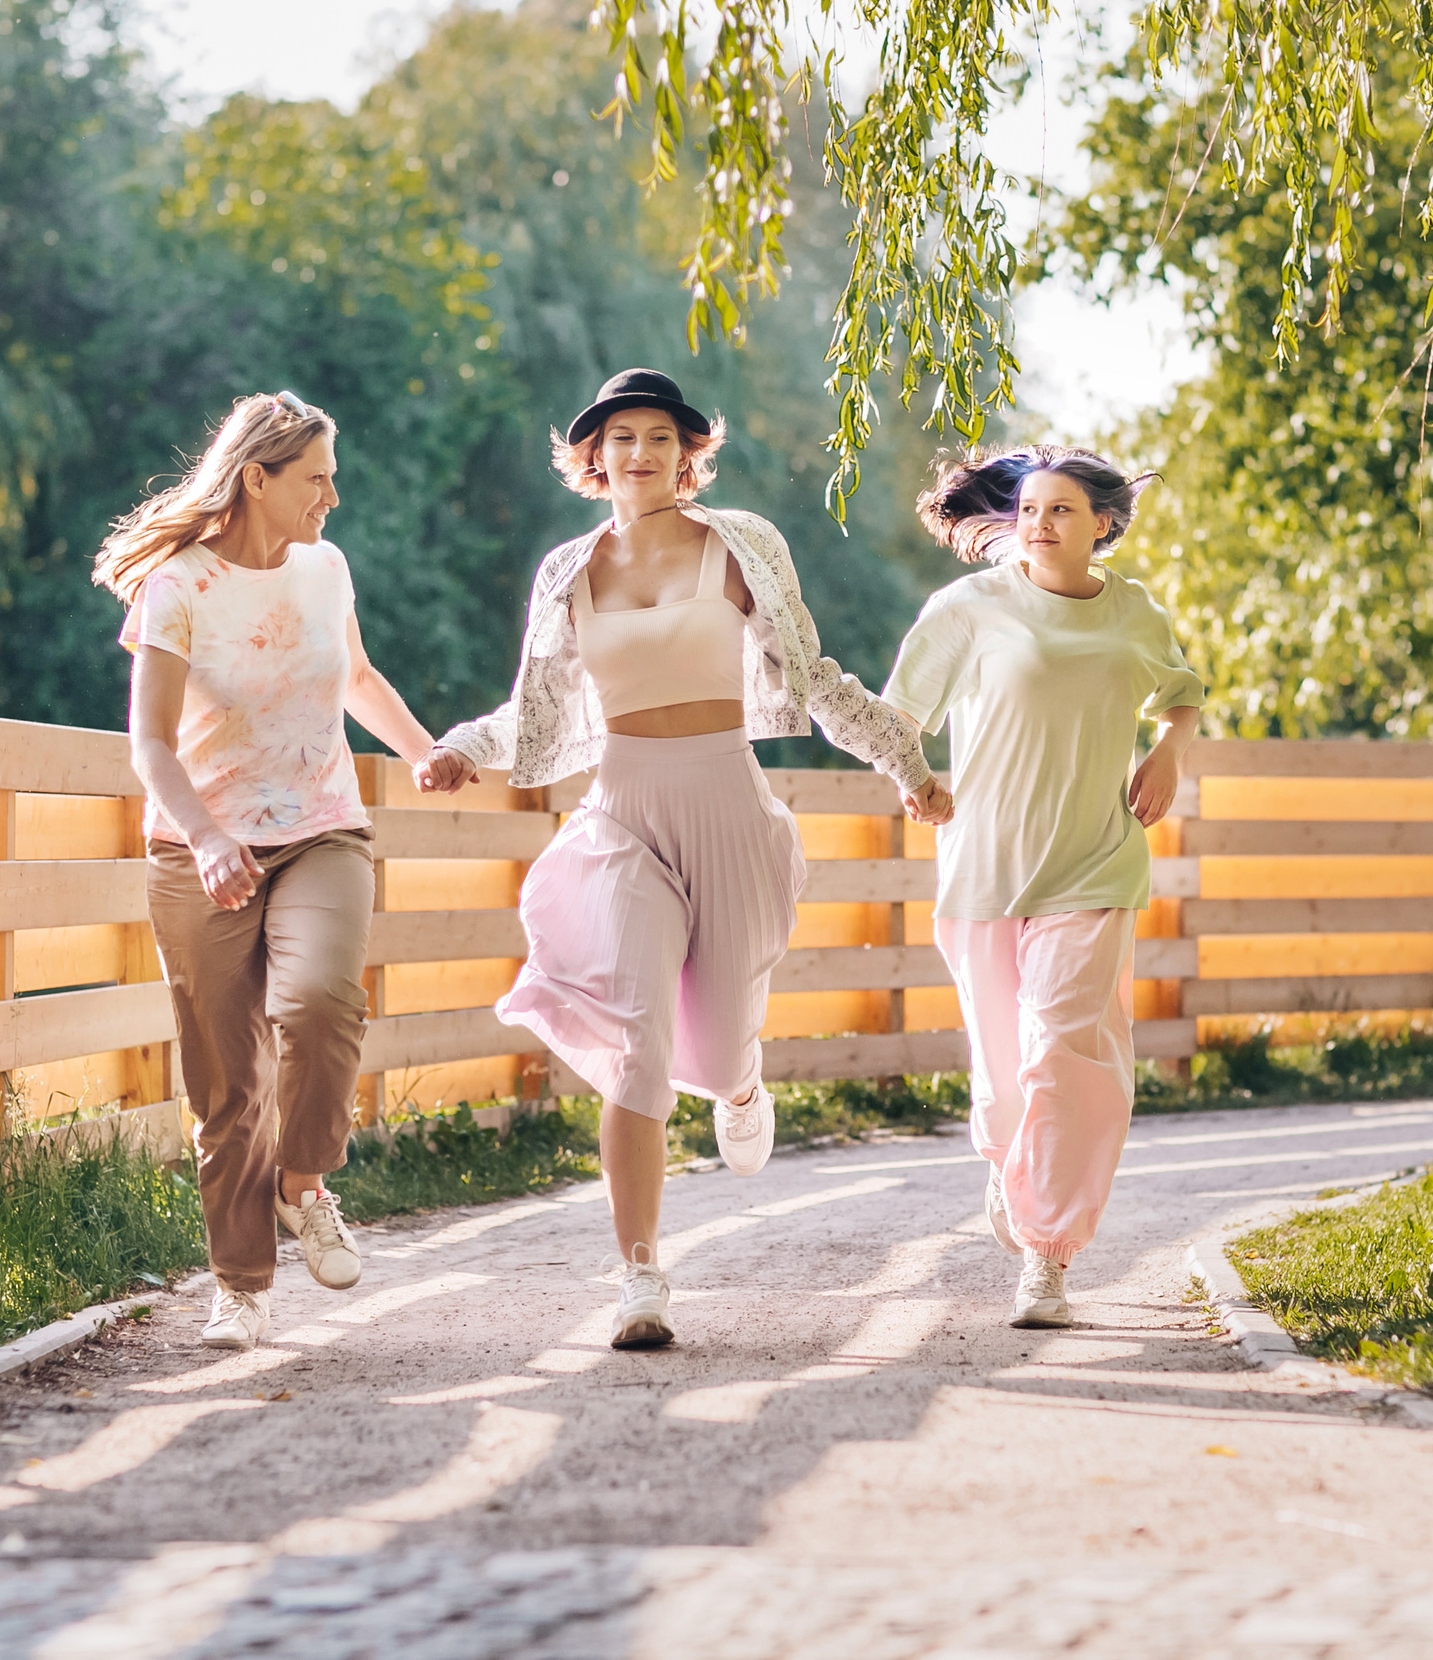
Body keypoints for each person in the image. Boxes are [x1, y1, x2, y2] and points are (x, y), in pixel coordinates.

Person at [415, 369, 952, 1349]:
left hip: (728, 807)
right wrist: (460, 747)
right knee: (637, 1040)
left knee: (716, 1038)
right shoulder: (566, 574)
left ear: (687, 453)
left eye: (658, 436)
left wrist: (906, 766)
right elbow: (530, 712)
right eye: (619, 438)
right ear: (592, 459)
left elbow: (814, 676)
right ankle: (640, 1277)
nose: (639, 452)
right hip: (621, 811)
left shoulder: (739, 546)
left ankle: (740, 1083)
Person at [96, 391, 439, 1350]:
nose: (333, 495)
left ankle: (302, 1181)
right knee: (226, 1086)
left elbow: (359, 678)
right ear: (259, 478)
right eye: (317, 478)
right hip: (198, 846)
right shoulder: (178, 586)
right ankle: (241, 1285)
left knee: (322, 1000)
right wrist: (207, 838)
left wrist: (419, 750)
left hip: (322, 826)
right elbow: (150, 744)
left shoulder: (327, 569)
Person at [880, 446, 1203, 1329]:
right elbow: (900, 714)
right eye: (1027, 509)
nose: (1039, 524)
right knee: (1005, 1078)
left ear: (1102, 523)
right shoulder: (970, 607)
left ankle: (1047, 1256)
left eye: (1061, 510)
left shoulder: (1131, 611)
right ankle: (1012, 1166)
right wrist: (914, 778)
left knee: (1065, 1052)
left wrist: (1169, 747)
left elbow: (1181, 693)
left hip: (1095, 862)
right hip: (985, 867)